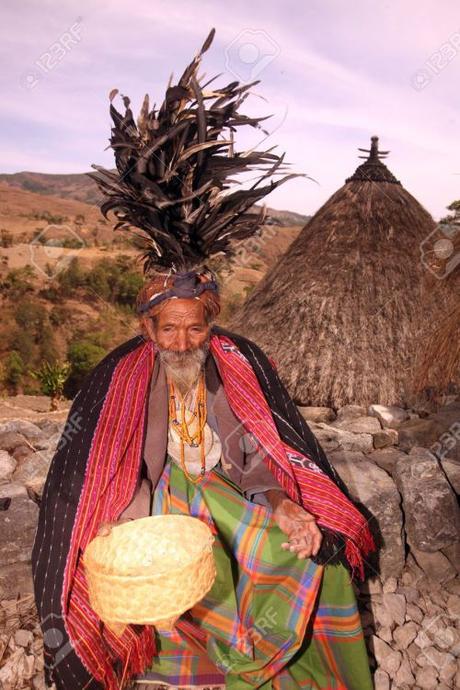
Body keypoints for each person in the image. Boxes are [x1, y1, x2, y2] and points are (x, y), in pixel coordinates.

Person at [31, 28, 377, 690]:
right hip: (154, 496)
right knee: (157, 565)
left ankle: (296, 665)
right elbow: (95, 466)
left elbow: (261, 447)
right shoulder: (118, 375)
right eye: (168, 329)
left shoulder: (238, 360)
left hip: (230, 483)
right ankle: (184, 669)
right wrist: (119, 507)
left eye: (195, 328)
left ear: (211, 320)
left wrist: (283, 502)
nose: (183, 343)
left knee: (299, 545)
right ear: (147, 324)